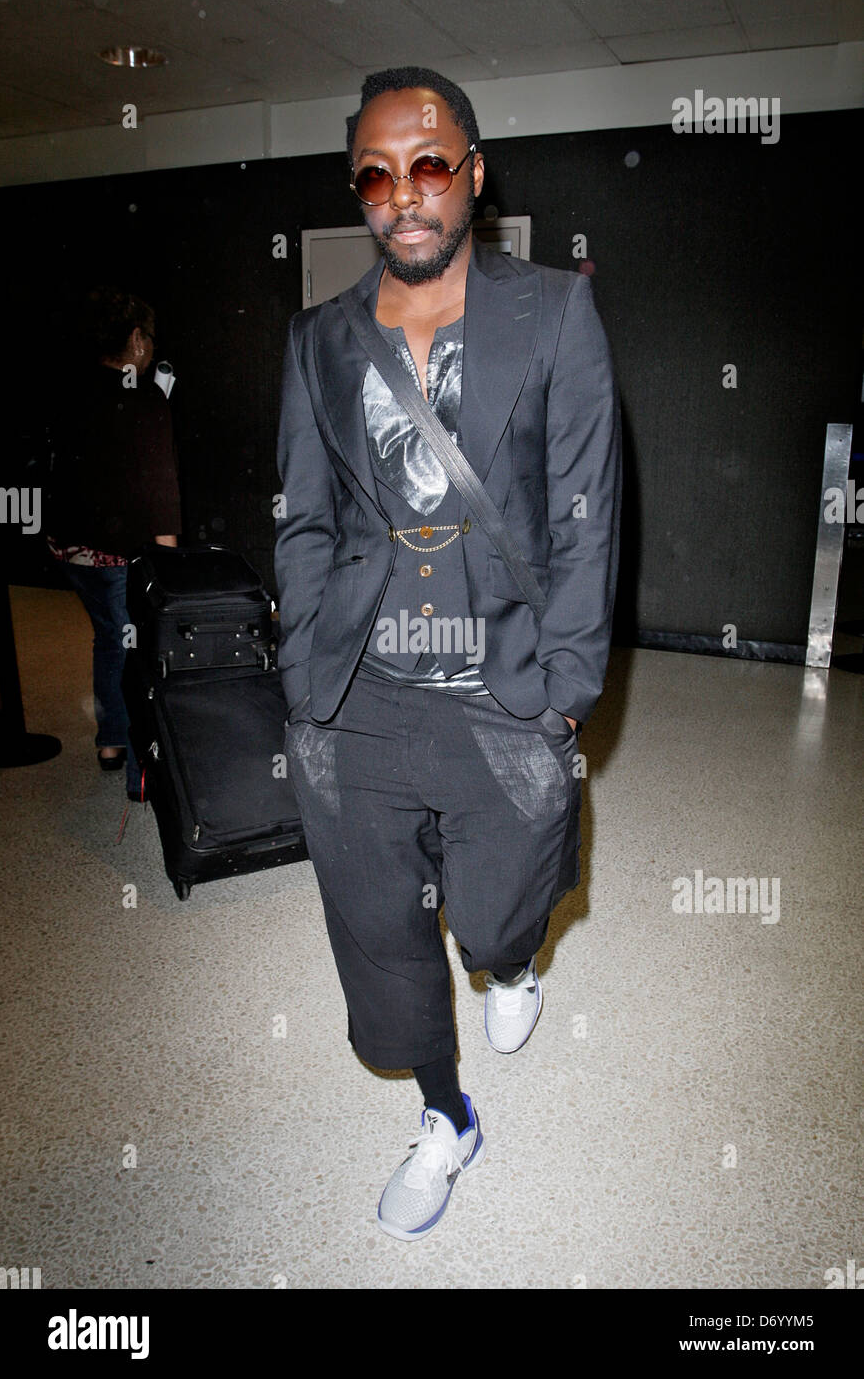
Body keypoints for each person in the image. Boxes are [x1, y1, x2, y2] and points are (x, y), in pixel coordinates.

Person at [274, 66, 622, 1240]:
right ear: (358, 191)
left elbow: (585, 508)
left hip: (503, 679)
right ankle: (442, 1115)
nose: (403, 194)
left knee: (493, 909)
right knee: (380, 933)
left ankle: (511, 961)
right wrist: (302, 683)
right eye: (376, 173)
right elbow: (304, 518)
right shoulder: (319, 340)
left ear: (473, 174)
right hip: (357, 690)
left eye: (428, 165)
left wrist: (567, 690)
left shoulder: (554, 312)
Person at [46, 288, 181, 801]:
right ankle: (139, 775)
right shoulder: (145, 397)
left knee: (109, 640)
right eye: (148, 338)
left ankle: (110, 744)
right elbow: (160, 486)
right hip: (121, 554)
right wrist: (167, 563)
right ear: (136, 338)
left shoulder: (71, 389)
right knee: (138, 654)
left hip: (70, 550)